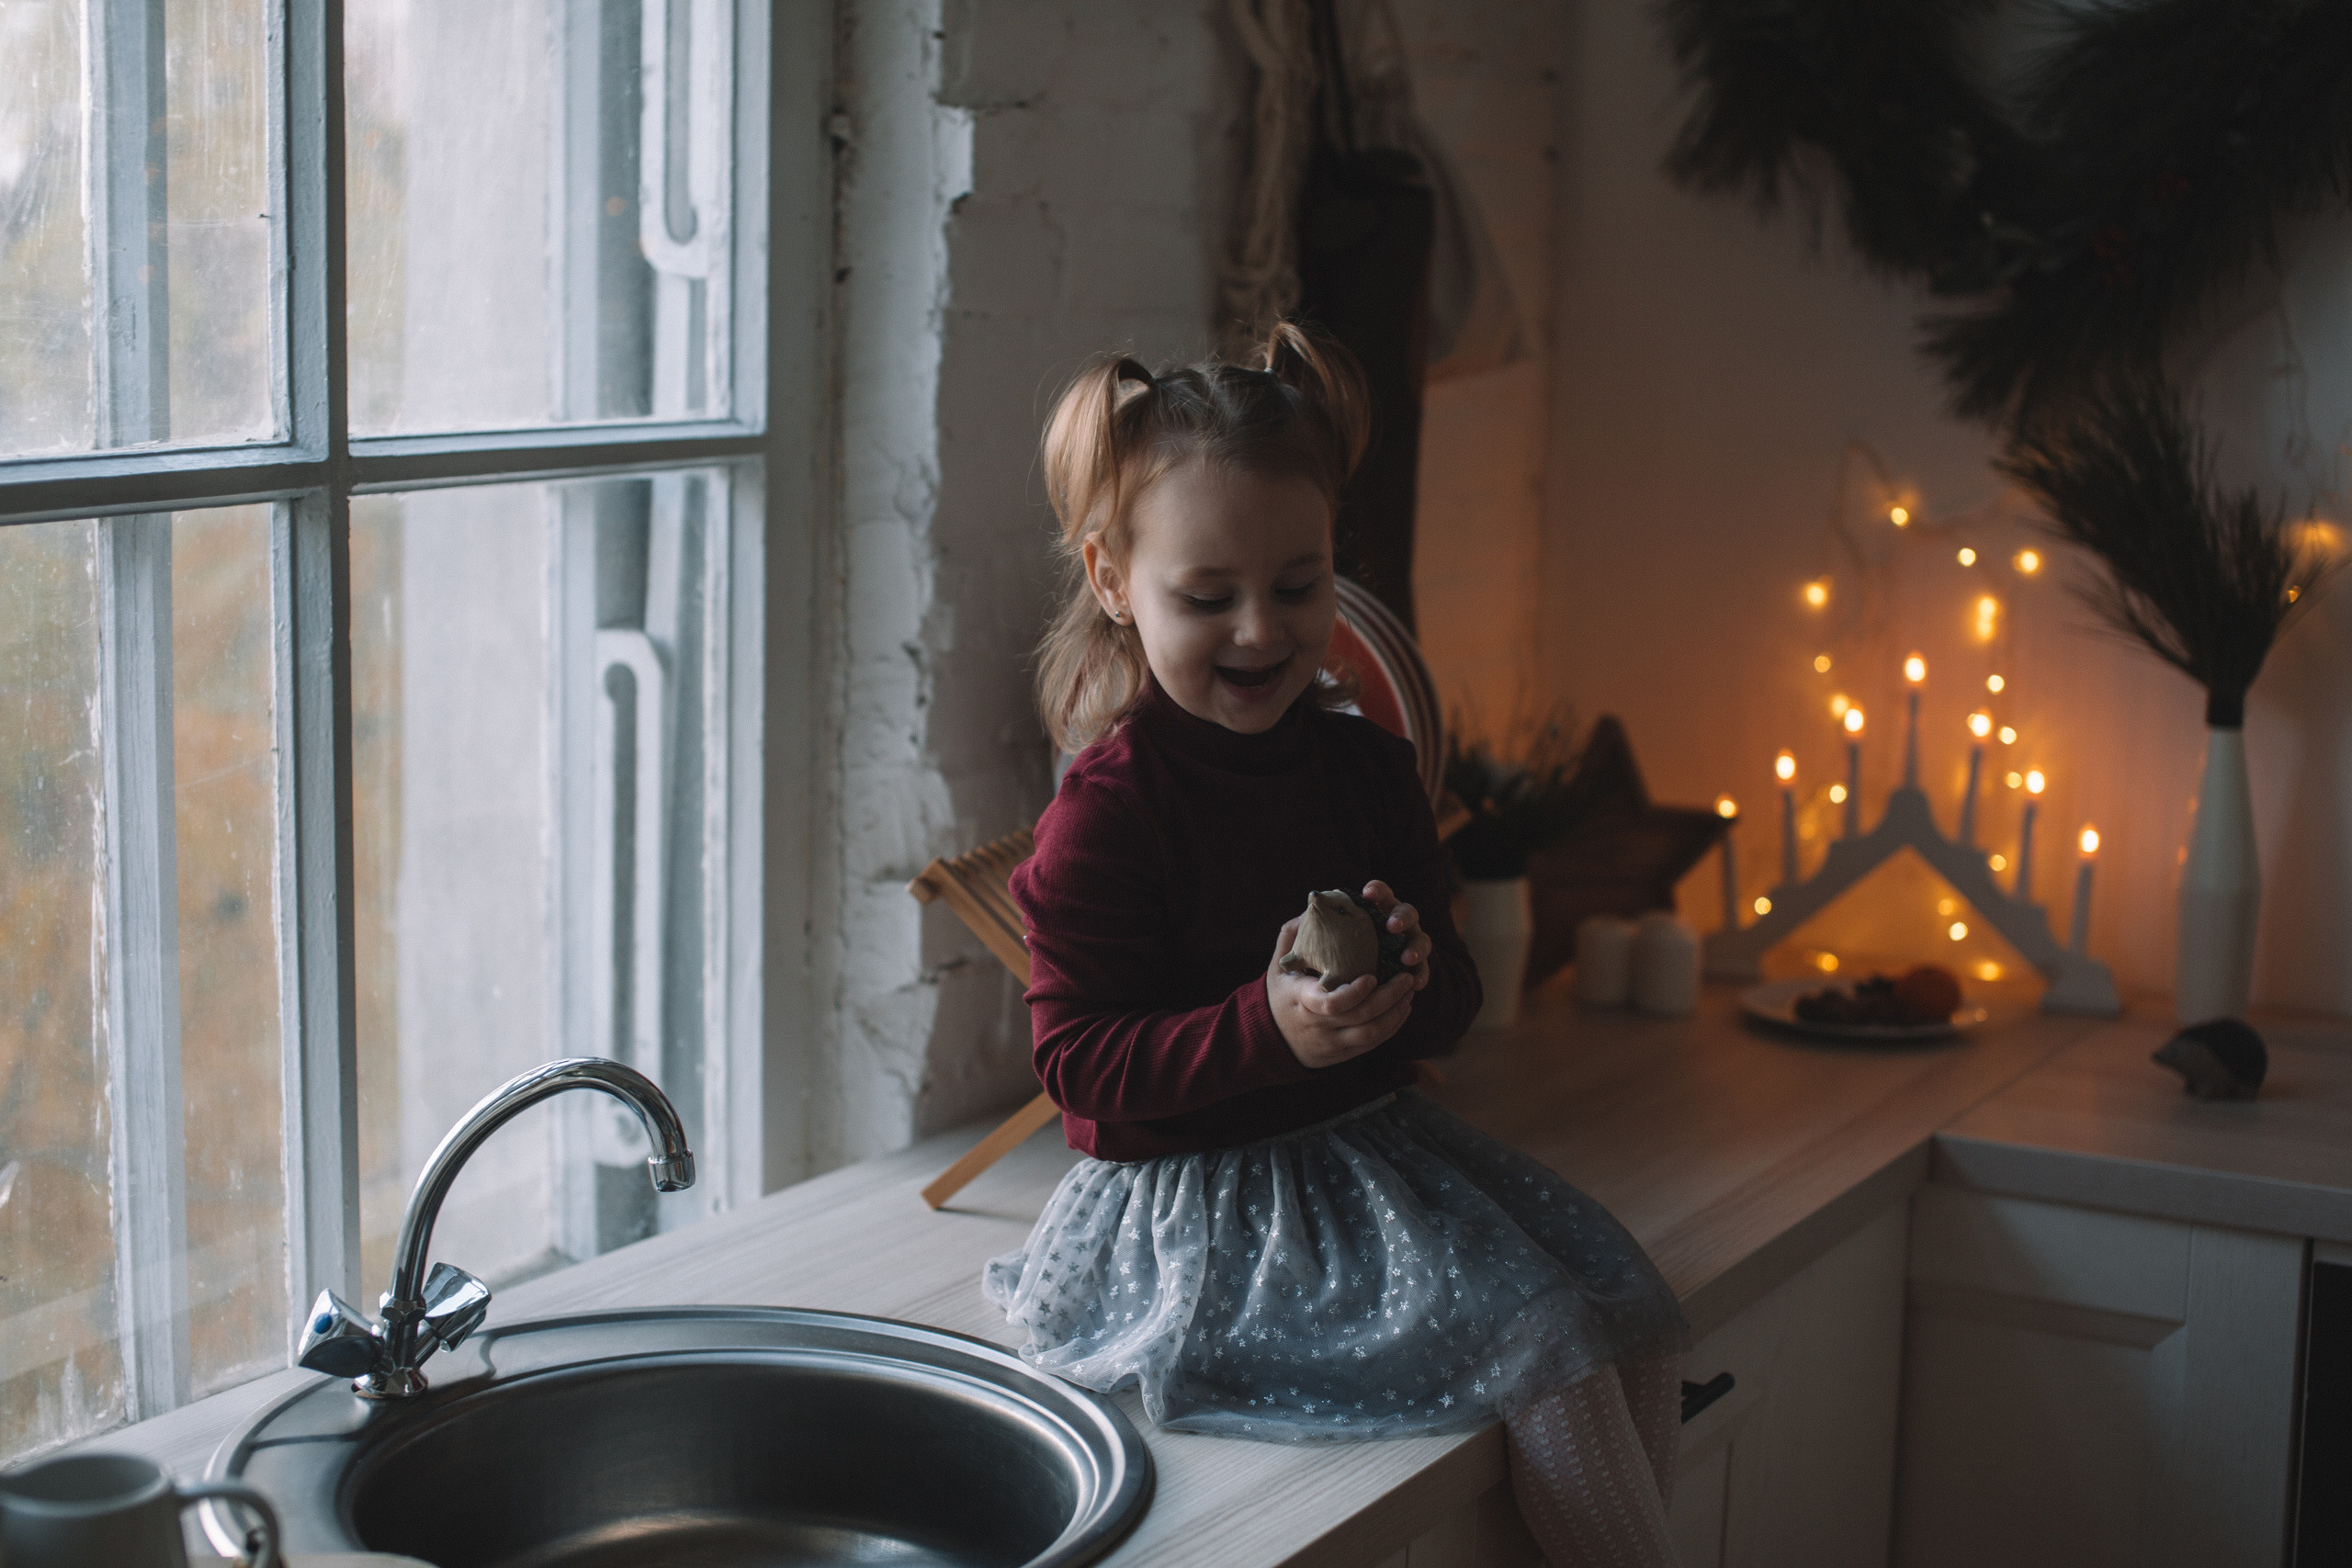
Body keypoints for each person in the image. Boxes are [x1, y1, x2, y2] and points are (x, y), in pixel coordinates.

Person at [983, 322, 1688, 1567]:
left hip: (1361, 1161)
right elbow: (1081, 1071)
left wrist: (1412, 984)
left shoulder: (1366, 770)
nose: (1261, 631)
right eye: (1207, 599)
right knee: (1549, 1341)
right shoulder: (1111, 811)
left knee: (1627, 1296)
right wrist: (1270, 1028)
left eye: (1297, 587)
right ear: (1110, 579)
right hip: (1196, 1220)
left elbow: (1458, 1008)